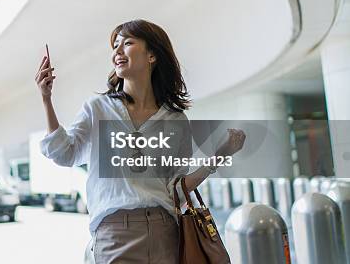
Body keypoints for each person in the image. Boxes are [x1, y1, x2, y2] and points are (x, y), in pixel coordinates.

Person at [34, 19, 246, 263]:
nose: (117, 51)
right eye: (115, 46)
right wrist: (46, 99)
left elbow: (176, 187)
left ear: (151, 55)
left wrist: (221, 154)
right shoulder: (99, 109)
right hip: (116, 234)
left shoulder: (175, 120)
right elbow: (64, 154)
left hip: (165, 232)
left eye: (128, 43)